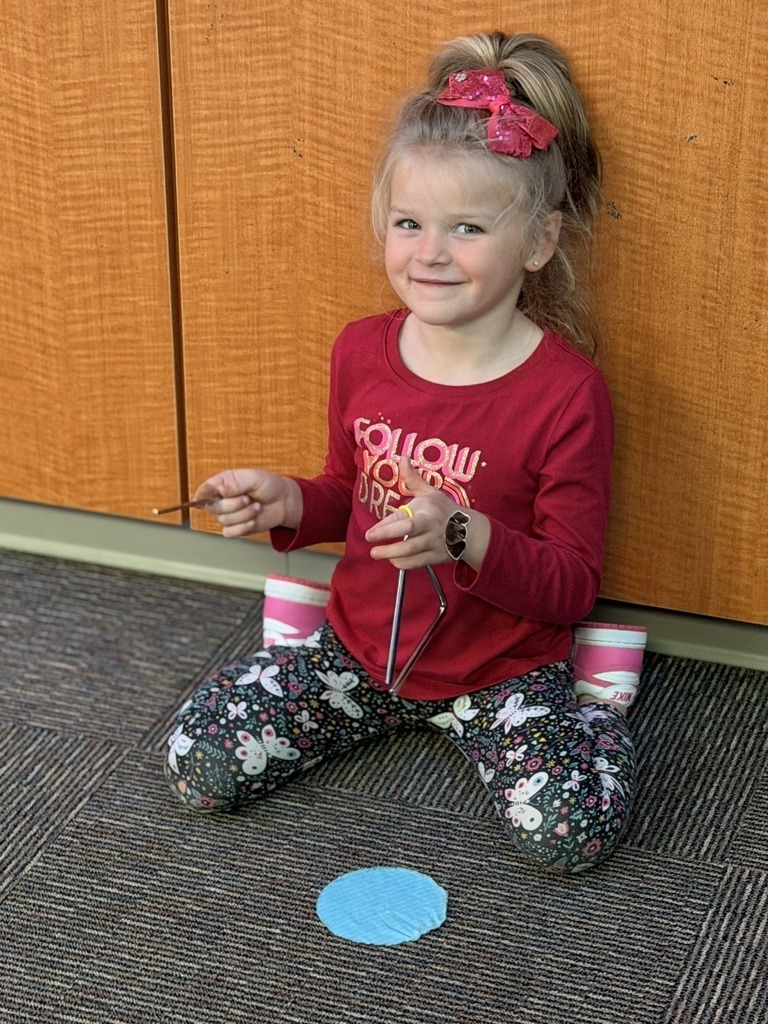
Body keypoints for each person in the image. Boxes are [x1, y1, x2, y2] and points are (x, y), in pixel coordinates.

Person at [164, 31, 646, 873]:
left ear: (536, 243)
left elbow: (571, 583)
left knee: (568, 836)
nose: (429, 252)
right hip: (357, 655)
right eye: (409, 223)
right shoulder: (360, 351)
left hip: (503, 673)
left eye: (467, 228)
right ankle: (304, 641)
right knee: (196, 762)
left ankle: (595, 711)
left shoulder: (566, 394)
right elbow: (346, 492)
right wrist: (286, 502)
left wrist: (465, 536)